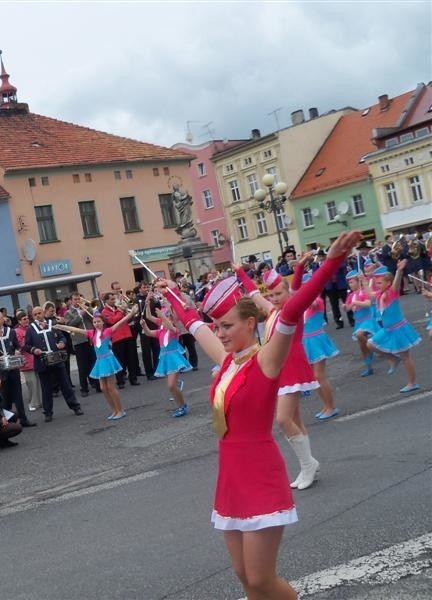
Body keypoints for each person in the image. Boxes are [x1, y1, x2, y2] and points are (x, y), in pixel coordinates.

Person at [159, 230, 362, 600]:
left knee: (259, 579)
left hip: (260, 474)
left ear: (250, 324)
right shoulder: (225, 364)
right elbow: (193, 323)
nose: (219, 334)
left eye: (227, 326)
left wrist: (330, 262)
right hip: (231, 478)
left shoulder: (266, 361)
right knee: (243, 576)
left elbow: (292, 309)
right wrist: (169, 291)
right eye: (218, 326)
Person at [235, 264, 321, 491]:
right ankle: (309, 464)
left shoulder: (293, 309)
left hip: (292, 367)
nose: (273, 298)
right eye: (270, 294)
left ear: (287, 293)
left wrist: (300, 268)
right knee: (296, 421)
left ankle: (307, 464)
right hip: (279, 368)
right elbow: (254, 293)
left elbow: (298, 289)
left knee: (283, 420)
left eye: (278, 294)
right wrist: (240, 272)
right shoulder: (273, 312)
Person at [55, 306, 138, 419]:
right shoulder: (91, 333)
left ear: (103, 322)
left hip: (108, 360)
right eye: (94, 322)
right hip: (100, 361)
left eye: (99, 321)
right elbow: (76, 330)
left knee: (111, 387)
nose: (96, 323)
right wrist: (61, 326)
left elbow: (121, 322)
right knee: (103, 388)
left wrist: (132, 313)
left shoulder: (108, 331)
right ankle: (114, 410)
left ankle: (120, 410)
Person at [366, 261, 421, 393]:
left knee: (406, 357)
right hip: (388, 329)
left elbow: (396, 283)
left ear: (388, 283)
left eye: (379, 283)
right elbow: (370, 294)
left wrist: (399, 271)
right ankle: (392, 358)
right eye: (377, 283)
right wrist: (363, 280)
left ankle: (412, 382)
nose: (377, 285)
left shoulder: (392, 292)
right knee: (370, 344)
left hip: (399, 328)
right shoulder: (379, 294)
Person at [23, 306, 83, 422]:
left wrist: (61, 343)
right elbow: (26, 345)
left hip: (57, 360)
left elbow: (62, 338)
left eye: (39, 313)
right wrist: (34, 350)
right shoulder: (31, 328)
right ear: (32, 316)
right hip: (42, 362)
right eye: (35, 315)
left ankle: (76, 407)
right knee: (46, 389)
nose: (37, 316)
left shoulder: (52, 323)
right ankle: (48, 413)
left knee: (65, 385)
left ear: (43, 313)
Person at [297, 271, 340, 420]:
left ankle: (332, 406)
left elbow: (312, 302)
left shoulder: (317, 300)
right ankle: (327, 405)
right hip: (306, 342)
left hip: (316, 340)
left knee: (319, 375)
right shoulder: (304, 304)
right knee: (314, 378)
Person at [0, 311, 35, 428]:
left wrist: (18, 350)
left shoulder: (10, 332)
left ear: (3, 320)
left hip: (13, 370)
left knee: (18, 396)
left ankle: (24, 419)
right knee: (4, 399)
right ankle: (7, 422)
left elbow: (17, 345)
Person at [141, 303, 192, 418]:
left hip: (174, 359)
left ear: (170, 319)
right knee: (171, 387)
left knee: (170, 386)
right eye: (162, 318)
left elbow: (170, 327)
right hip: (164, 359)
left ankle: (183, 405)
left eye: (166, 318)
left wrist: (163, 316)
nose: (162, 320)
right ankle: (180, 405)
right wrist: (144, 325)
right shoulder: (160, 332)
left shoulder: (174, 330)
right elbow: (149, 333)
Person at [343, 271, 379, 377]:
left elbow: (368, 304)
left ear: (358, 281)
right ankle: (369, 367)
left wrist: (355, 303)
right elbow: (348, 308)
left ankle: (371, 348)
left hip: (368, 320)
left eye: (352, 282)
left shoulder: (363, 292)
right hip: (358, 322)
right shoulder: (350, 295)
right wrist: (345, 307)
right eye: (349, 283)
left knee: (360, 335)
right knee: (361, 346)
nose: (350, 284)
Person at [63, 293, 100, 396]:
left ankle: (97, 385)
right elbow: (70, 324)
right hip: (79, 341)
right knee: (82, 367)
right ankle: (84, 389)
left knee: (94, 363)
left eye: (79, 299)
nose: (77, 301)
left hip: (90, 339)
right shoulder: (68, 313)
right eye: (75, 299)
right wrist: (80, 314)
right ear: (71, 301)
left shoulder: (86, 308)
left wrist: (88, 309)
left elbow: (95, 316)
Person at [101, 292, 140, 387]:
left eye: (114, 299)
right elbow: (112, 320)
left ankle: (133, 379)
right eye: (112, 299)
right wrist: (121, 311)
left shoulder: (118, 309)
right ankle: (120, 381)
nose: (114, 301)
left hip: (127, 334)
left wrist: (131, 313)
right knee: (120, 360)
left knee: (131, 358)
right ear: (106, 301)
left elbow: (128, 320)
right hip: (117, 338)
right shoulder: (104, 312)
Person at [14, 311, 42, 412]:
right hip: (26, 361)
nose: (26, 321)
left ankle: (39, 402)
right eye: (24, 319)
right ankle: (32, 403)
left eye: (27, 318)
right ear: (19, 321)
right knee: (31, 383)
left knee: (38, 381)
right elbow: (20, 345)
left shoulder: (31, 328)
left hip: (35, 358)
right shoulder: (17, 331)